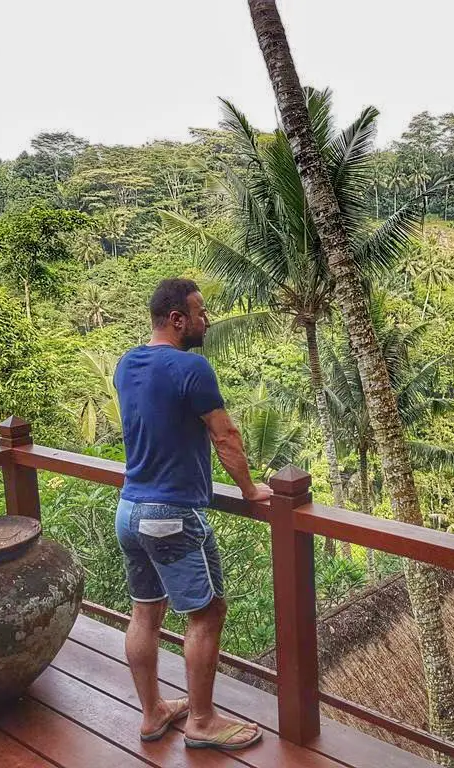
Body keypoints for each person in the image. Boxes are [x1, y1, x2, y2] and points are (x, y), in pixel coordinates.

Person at [113, 278, 271, 751]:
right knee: (207, 613)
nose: (207, 321)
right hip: (172, 515)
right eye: (201, 313)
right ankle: (201, 721)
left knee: (145, 613)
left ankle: (152, 714)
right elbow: (226, 437)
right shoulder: (191, 367)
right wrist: (249, 489)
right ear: (177, 319)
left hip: (129, 509)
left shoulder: (126, 363)